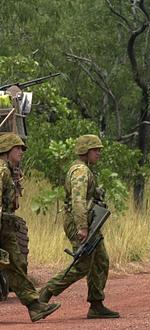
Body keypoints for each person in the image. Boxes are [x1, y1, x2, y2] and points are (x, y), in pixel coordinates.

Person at [39, 134, 119, 319]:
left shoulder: (85, 169)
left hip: (89, 221)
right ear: (85, 151)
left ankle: (96, 304)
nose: (99, 153)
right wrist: (82, 227)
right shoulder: (80, 171)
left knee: (100, 261)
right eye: (95, 150)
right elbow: (78, 201)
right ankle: (46, 291)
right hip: (80, 222)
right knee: (82, 265)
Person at [0, 132, 60, 322]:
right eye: (17, 148)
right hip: (2, 226)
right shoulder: (1, 170)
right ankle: (34, 306)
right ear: (7, 150)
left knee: (16, 265)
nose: (21, 152)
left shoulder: (9, 171)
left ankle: (35, 306)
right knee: (14, 264)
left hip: (6, 226)